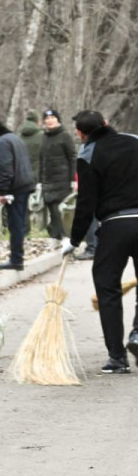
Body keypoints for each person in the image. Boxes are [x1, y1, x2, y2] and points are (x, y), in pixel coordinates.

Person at [61, 110, 138, 374]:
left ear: (81, 134)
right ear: (106, 124)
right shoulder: (135, 140)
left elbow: (86, 204)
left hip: (115, 225)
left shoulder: (88, 154)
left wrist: (74, 239)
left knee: (108, 289)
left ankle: (117, 357)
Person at [0, 116, 36, 269]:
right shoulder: (14, 138)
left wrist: (4, 192)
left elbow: (5, 168)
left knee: (15, 224)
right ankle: (17, 257)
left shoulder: (1, 142)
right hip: (24, 185)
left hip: (14, 189)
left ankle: (16, 259)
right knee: (19, 222)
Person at [38, 109, 77, 240]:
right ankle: (57, 236)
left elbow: (73, 157)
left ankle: (66, 237)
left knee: (60, 210)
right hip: (47, 181)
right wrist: (39, 181)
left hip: (62, 180)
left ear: (58, 119)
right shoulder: (43, 137)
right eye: (47, 118)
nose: (49, 120)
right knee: (52, 210)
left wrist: (73, 179)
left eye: (52, 117)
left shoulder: (65, 136)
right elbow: (41, 159)